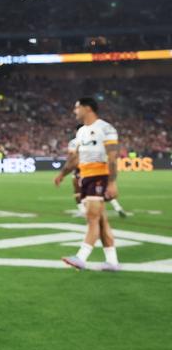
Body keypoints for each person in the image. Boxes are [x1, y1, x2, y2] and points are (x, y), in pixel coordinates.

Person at [55, 97, 121, 271]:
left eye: (77, 108)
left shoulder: (106, 129)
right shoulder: (81, 132)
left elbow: (113, 157)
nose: (74, 111)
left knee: (92, 217)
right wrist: (62, 174)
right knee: (101, 221)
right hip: (85, 177)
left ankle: (81, 257)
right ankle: (112, 261)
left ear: (87, 108)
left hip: (100, 176)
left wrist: (112, 183)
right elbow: (76, 158)